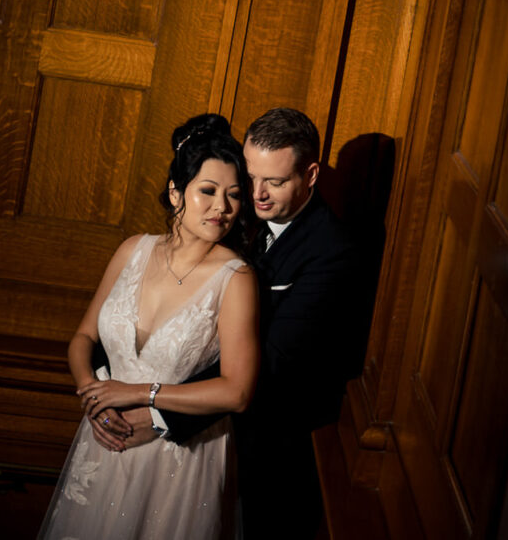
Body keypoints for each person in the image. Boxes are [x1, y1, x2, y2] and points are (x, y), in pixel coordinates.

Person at [121, 106, 363, 540]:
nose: (257, 193)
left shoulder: (332, 253)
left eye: (275, 181)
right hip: (193, 427)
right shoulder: (236, 213)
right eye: (250, 177)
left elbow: (273, 362)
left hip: (264, 454)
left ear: (309, 176)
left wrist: (160, 416)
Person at [38, 114, 260, 540]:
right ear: (176, 193)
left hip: (178, 458)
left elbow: (238, 391)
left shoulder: (237, 279)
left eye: (234, 196)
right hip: (104, 437)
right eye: (208, 192)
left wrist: (140, 393)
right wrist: (94, 399)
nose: (222, 208)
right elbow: (83, 338)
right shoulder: (132, 250)